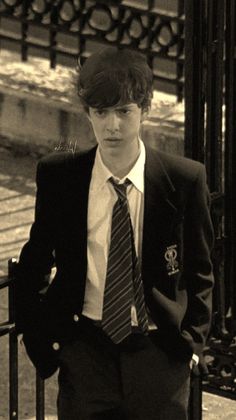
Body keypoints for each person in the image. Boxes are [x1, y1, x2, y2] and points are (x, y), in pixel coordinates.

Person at [15, 47, 214, 420]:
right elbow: (33, 264)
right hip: (86, 351)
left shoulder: (184, 180)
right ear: (88, 113)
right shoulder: (61, 177)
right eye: (101, 112)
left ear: (145, 110)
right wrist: (41, 341)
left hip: (158, 352)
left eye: (124, 111)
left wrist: (191, 345)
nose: (112, 126)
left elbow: (201, 270)